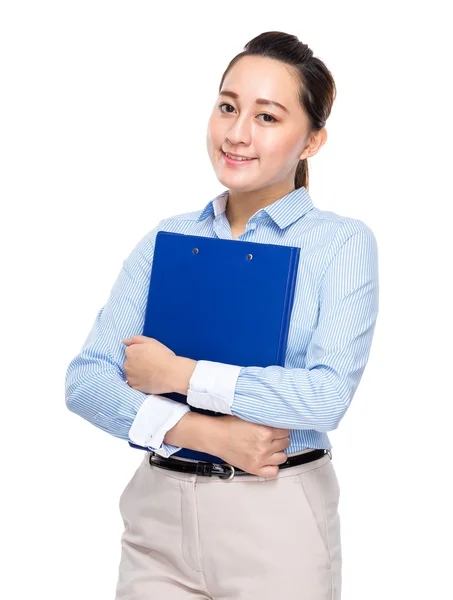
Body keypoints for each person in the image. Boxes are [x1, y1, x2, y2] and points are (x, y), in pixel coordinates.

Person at [65, 30, 379, 600]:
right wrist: (203, 432)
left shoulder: (340, 244)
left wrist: (179, 376)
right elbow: (87, 381)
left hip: (276, 524)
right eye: (228, 107)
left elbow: (327, 396)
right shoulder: (169, 237)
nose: (236, 134)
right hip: (157, 525)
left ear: (312, 141)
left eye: (268, 117)